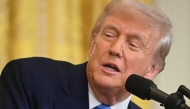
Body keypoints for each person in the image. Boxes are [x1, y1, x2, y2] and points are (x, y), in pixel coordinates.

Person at [0, 0, 172, 109]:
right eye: (109, 35)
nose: (115, 48)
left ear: (151, 70)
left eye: (133, 44)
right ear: (92, 44)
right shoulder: (28, 80)